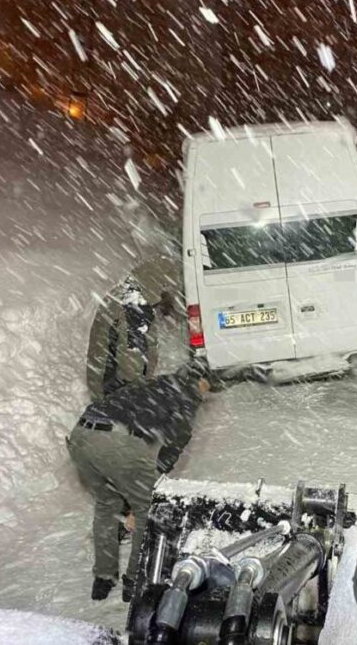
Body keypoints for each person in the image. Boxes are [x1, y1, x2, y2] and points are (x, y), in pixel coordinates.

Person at [68, 364, 211, 602]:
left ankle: (103, 578)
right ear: (199, 382)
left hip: (81, 435)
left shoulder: (152, 385)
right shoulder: (187, 395)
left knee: (106, 504)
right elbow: (174, 445)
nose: (205, 394)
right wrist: (149, 489)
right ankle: (135, 582)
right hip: (114, 440)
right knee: (149, 509)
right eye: (205, 387)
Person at [86, 253, 179, 403]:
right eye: (167, 288)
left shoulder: (125, 294)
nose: (169, 295)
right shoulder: (135, 309)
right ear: (159, 284)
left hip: (103, 380)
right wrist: (140, 396)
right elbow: (131, 366)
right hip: (114, 391)